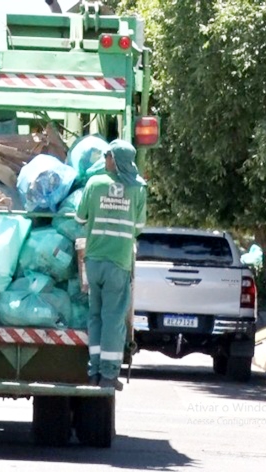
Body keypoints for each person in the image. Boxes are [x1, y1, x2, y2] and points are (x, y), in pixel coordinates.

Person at [74, 139, 147, 391]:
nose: (104, 159)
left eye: (107, 156)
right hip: (119, 263)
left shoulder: (94, 184)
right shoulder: (138, 189)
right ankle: (108, 374)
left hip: (93, 261)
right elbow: (138, 227)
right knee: (113, 319)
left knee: (94, 316)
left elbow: (79, 217)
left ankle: (93, 370)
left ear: (115, 160)